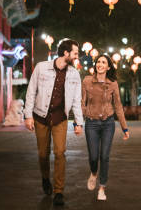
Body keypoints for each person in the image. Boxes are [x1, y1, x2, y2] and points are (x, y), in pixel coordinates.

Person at [24, 39, 84, 206]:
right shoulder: (42, 67)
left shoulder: (74, 74)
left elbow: (76, 100)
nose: (77, 56)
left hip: (60, 119)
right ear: (66, 53)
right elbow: (31, 91)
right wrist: (28, 115)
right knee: (43, 154)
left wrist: (78, 122)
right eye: (75, 53)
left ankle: (59, 191)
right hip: (40, 117)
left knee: (60, 153)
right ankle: (45, 178)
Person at [81, 54, 129, 201]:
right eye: (98, 62)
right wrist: (81, 118)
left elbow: (118, 106)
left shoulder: (113, 83)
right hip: (92, 123)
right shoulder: (87, 81)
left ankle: (102, 188)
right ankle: (94, 173)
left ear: (108, 67)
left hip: (108, 123)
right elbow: (82, 102)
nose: (100, 64)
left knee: (105, 156)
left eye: (103, 62)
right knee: (94, 156)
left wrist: (124, 127)